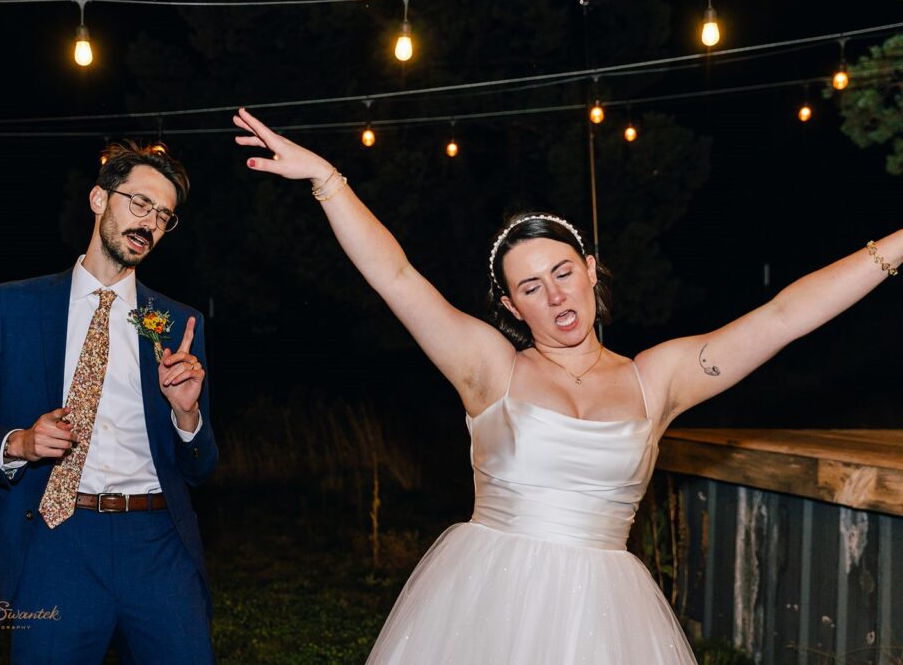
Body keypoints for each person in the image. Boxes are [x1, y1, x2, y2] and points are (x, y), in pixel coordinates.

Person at [233, 107, 901, 664]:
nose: (554, 296)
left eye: (561, 272)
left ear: (589, 268)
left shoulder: (655, 380)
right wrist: (327, 179)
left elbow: (782, 317)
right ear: (510, 307)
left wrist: (893, 249)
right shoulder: (490, 368)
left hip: (608, 618)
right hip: (484, 604)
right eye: (530, 286)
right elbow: (398, 277)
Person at [0, 141, 219, 664]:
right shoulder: (17, 306)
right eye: (140, 203)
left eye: (163, 216)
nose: (150, 224)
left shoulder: (175, 324)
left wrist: (187, 414)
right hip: (56, 539)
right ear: (98, 199)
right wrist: (21, 442)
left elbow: (202, 467)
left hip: (157, 543)